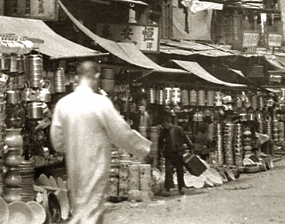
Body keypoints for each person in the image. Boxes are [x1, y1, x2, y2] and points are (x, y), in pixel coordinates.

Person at [50, 61, 151, 224]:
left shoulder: (64, 104)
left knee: (80, 209)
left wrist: (73, 144)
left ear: (76, 78)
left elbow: (57, 143)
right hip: (95, 166)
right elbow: (121, 133)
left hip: (74, 167)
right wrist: (144, 149)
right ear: (97, 77)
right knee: (92, 212)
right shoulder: (100, 103)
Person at [158, 118, 189, 196]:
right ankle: (168, 189)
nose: (164, 126)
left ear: (169, 123)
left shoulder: (178, 129)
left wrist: (191, 147)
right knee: (168, 171)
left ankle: (181, 188)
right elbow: (160, 142)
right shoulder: (163, 131)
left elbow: (186, 138)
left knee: (180, 171)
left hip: (178, 153)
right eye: (163, 125)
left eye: (165, 124)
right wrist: (160, 150)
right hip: (168, 154)